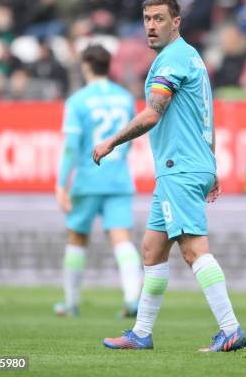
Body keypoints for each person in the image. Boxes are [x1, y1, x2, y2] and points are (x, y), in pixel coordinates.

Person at [95, 0, 246, 352]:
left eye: (159, 19)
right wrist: (211, 165)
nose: (151, 25)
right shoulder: (191, 57)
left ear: (176, 22)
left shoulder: (171, 61)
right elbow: (204, 114)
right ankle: (141, 334)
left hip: (179, 168)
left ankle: (230, 328)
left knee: (193, 250)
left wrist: (113, 141)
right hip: (186, 167)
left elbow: (153, 113)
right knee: (151, 249)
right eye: (147, 18)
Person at [54, 45, 142, 318]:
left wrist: (60, 184)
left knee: (77, 237)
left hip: (88, 178)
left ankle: (70, 303)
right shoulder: (125, 98)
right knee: (122, 238)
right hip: (118, 179)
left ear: (86, 66)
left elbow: (71, 146)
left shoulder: (78, 101)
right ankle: (132, 299)